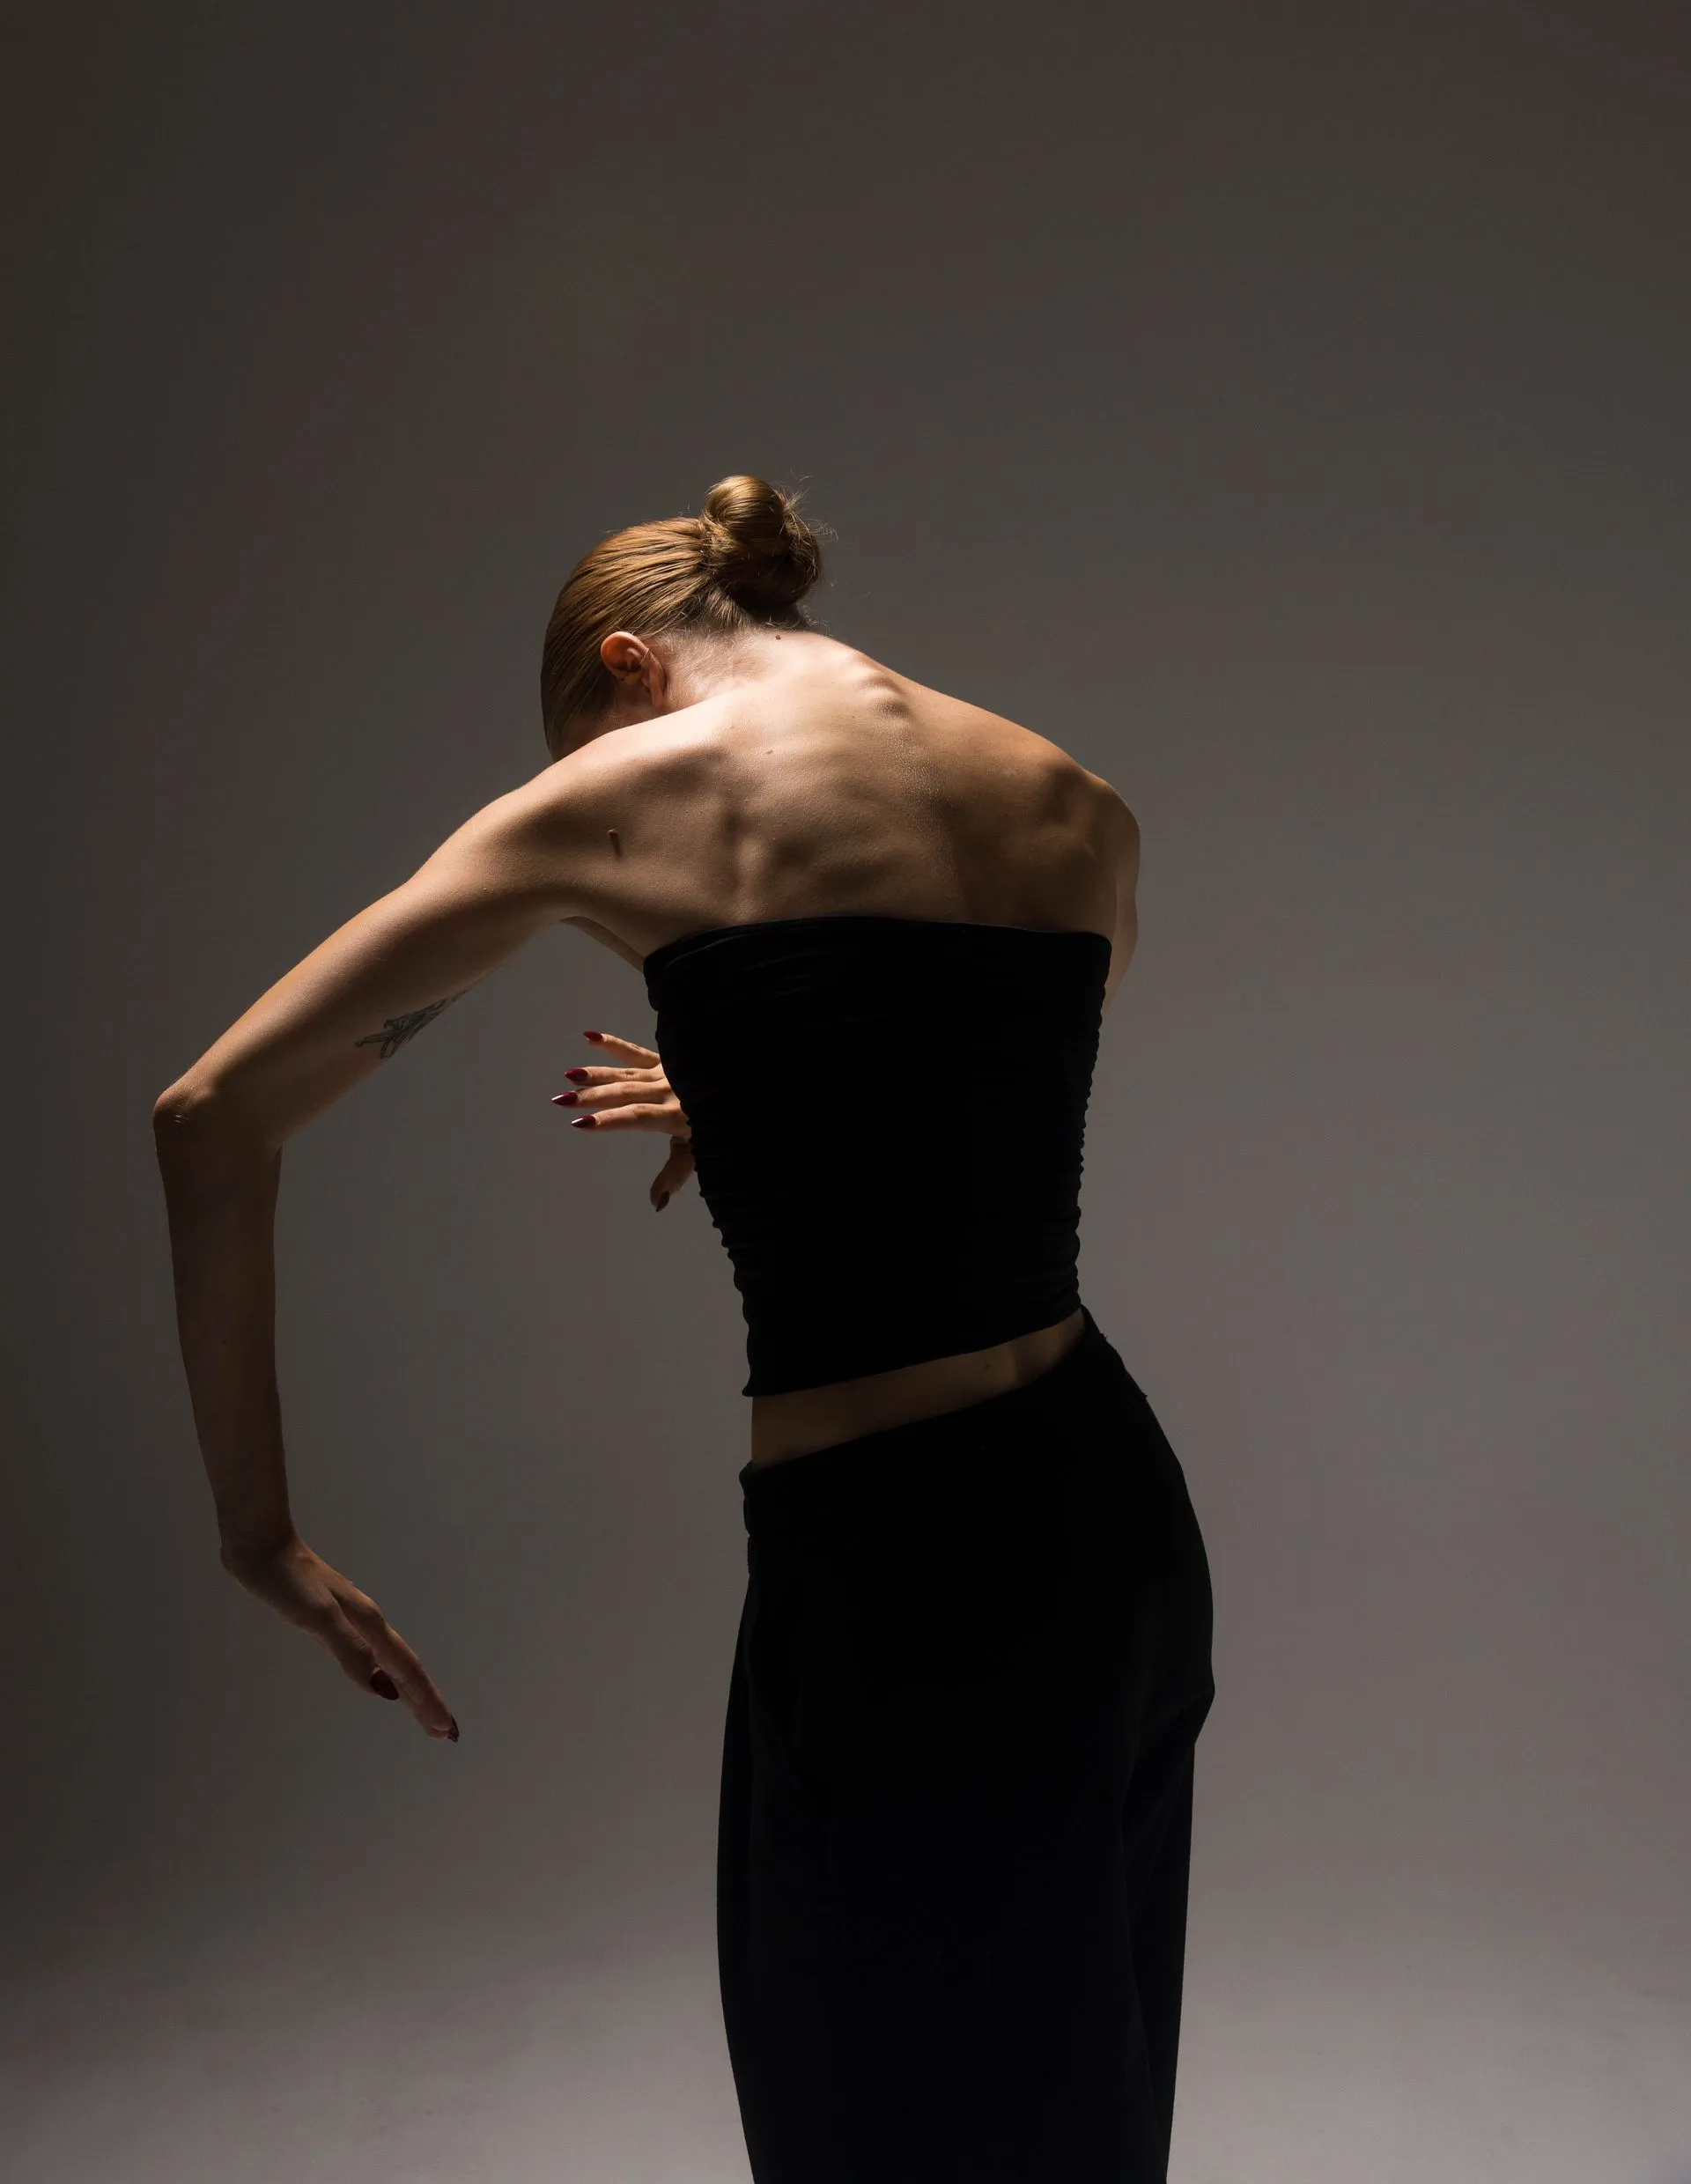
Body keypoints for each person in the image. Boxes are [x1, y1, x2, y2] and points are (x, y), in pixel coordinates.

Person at [152, 475, 1215, 2183]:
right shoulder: (1070, 797)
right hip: (1115, 1532)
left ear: (629, 667)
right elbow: (988, 1076)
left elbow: (211, 1118)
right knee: (1073, 2123)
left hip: (897, 1575)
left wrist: (257, 1536)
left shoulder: (632, 788)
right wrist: (762, 1080)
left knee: (863, 2130)